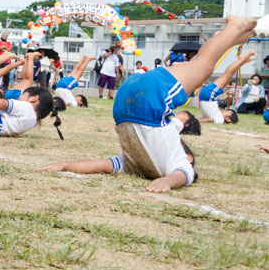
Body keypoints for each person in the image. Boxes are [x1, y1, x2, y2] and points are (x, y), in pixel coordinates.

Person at [37, 17, 256, 192]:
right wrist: (168, 182)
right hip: (125, 108)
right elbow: (181, 175)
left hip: (146, 103)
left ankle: (231, 33)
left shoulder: (134, 164)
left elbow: (99, 164)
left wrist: (65, 165)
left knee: (202, 65)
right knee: (203, 65)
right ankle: (233, 33)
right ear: (188, 159)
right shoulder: (172, 163)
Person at [198, 52, 252, 124]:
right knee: (227, 75)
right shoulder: (218, 117)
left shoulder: (220, 119)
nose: (224, 110)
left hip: (209, 95)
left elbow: (209, 120)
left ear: (228, 119)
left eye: (227, 111)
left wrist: (196, 120)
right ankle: (241, 61)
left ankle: (241, 61)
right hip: (207, 96)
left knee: (227, 75)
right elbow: (207, 119)